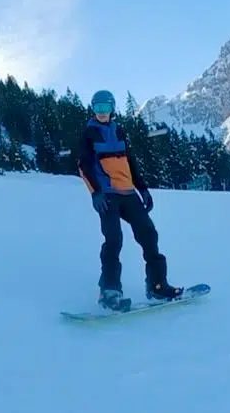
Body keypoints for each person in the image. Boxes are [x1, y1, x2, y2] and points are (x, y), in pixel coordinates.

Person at [77, 88, 182, 310]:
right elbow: (84, 166)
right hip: (107, 195)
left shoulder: (119, 130)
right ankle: (109, 291)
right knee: (113, 239)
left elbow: (130, 162)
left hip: (128, 193)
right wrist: (95, 193)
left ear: (112, 108)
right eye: (98, 107)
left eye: (106, 107)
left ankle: (157, 285)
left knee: (148, 234)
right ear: (93, 109)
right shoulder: (89, 133)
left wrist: (142, 189)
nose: (102, 111)